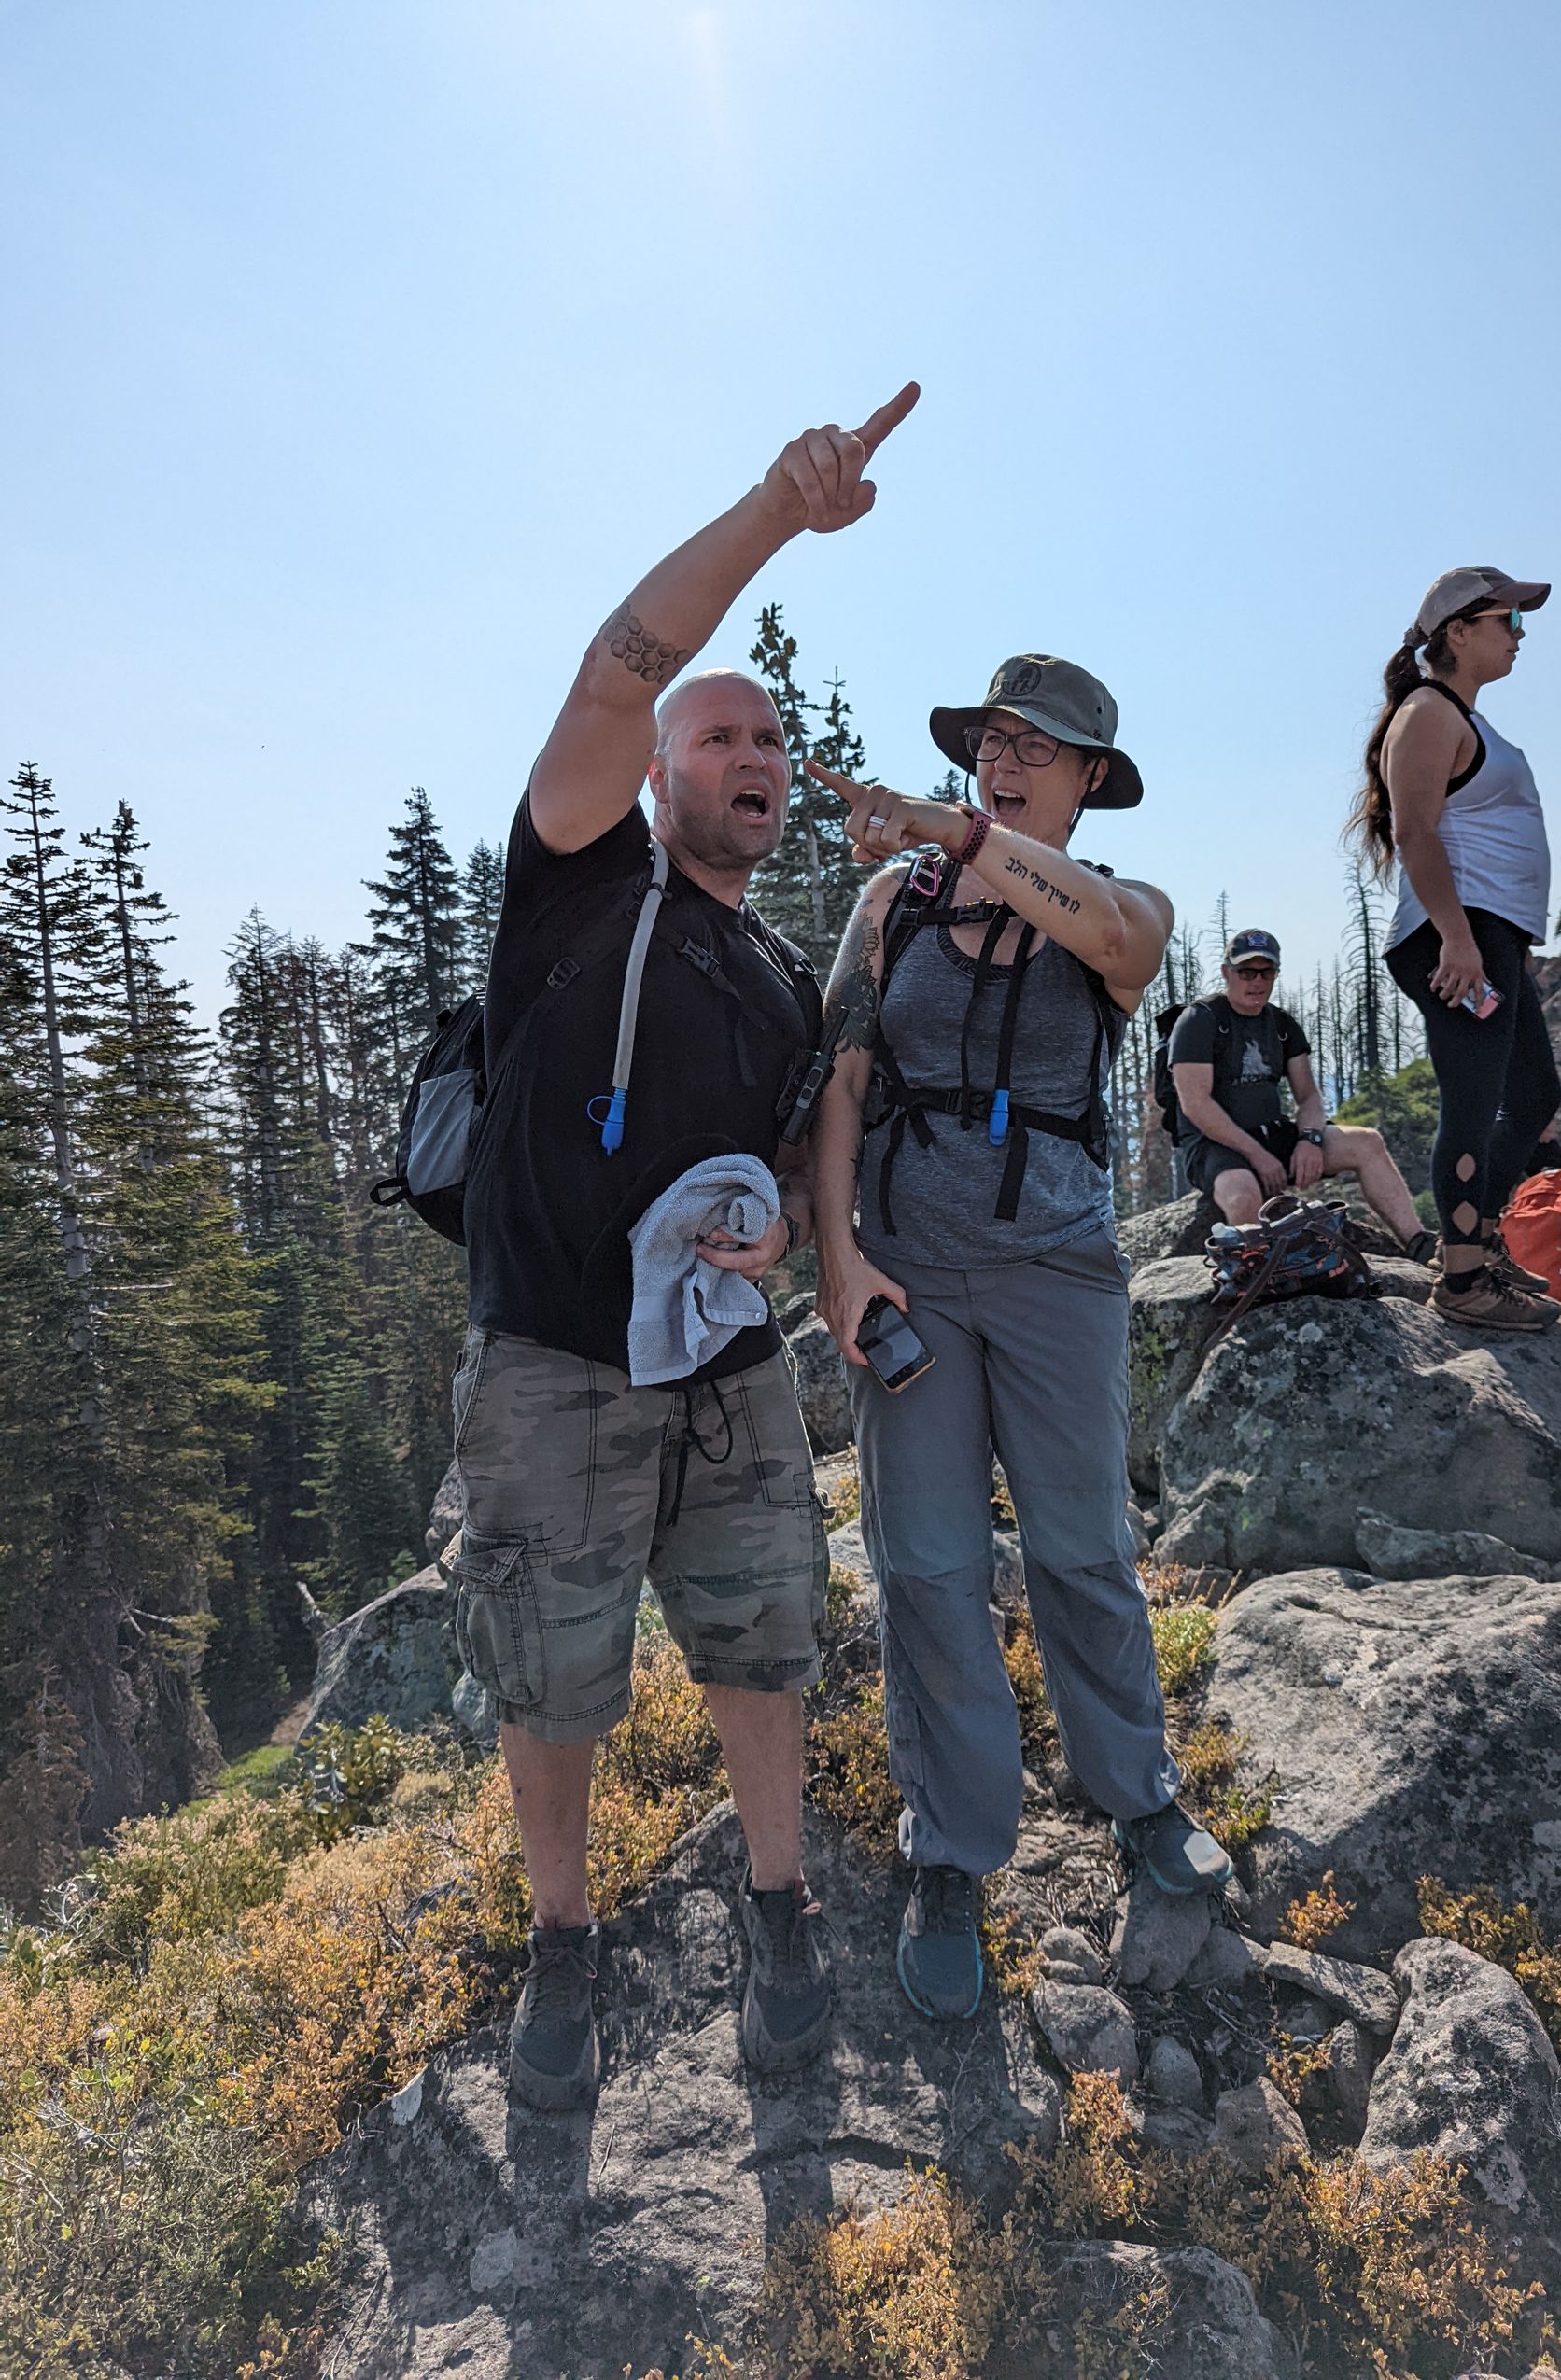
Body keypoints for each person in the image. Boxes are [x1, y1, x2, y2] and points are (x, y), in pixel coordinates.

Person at [450, 384, 920, 2107]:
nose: (751, 764)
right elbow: (616, 664)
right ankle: (560, 1947)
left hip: (727, 1380)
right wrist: (773, 513)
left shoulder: (775, 972)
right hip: (555, 1367)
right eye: (719, 740)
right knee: (553, 1669)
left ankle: (780, 1909)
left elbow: (801, 1179)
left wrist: (797, 1231)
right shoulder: (576, 880)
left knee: (761, 1641)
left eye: (772, 748)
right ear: (655, 777)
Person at [806, 656, 1234, 2025]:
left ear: (1089, 781)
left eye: (1037, 748)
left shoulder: (1124, 908)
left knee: (1083, 1551)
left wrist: (962, 834)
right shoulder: (893, 906)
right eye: (993, 739)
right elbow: (843, 1083)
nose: (1004, 759)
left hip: (1058, 1269)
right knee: (928, 1565)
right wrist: (837, 1258)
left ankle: (1136, 1797)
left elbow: (1119, 948)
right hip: (913, 1272)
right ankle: (952, 1852)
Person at [1349, 567, 1561, 1332]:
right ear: (1458, 632)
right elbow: (1414, 830)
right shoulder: (1429, 711)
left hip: (1486, 933)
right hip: (1457, 933)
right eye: (1508, 618)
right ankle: (1464, 1282)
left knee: (1535, 1095)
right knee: (1475, 1100)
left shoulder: (1466, 719)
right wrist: (1457, 938)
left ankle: (1474, 1245)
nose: (1517, 635)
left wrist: (1505, 942)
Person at [1169, 928, 1435, 1257]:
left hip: (1272, 1134)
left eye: (1266, 972)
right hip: (1216, 1146)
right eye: (1246, 972)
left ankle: (1419, 1243)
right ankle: (1257, 1279)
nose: (1257, 981)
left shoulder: (1280, 1025)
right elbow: (1196, 1105)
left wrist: (1310, 1139)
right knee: (1243, 1196)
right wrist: (1257, 1155)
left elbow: (1308, 1096)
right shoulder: (1199, 1020)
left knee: (1367, 1142)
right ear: (1227, 973)